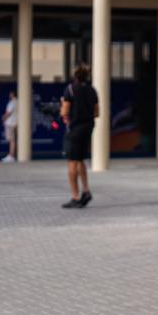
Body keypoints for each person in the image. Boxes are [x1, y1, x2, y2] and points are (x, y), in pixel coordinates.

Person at [60, 64, 98, 208]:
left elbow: (64, 112)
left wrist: (63, 105)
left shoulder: (70, 89)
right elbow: (97, 112)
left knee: (72, 162)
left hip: (74, 129)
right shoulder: (92, 90)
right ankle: (86, 191)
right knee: (81, 160)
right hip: (88, 128)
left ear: (75, 75)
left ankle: (75, 196)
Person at [2, 90, 17, 162]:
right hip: (15, 122)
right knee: (13, 140)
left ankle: (11, 156)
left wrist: (3, 118)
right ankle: (12, 155)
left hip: (10, 123)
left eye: (10, 94)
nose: (9, 95)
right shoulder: (18, 102)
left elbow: (8, 113)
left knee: (11, 140)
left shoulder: (12, 102)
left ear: (13, 94)